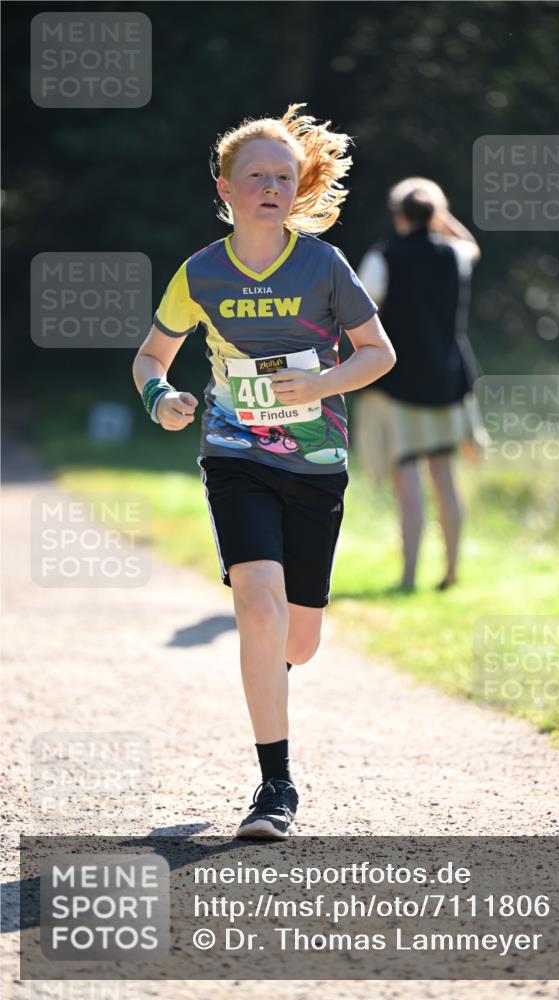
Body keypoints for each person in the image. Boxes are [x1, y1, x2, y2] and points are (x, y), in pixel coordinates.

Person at [131, 104, 396, 839]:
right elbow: (150, 358)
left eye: (284, 175)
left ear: (298, 186)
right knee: (256, 605)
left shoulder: (322, 264)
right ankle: (274, 786)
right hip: (235, 454)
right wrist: (164, 398)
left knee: (295, 641)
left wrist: (319, 385)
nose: (272, 187)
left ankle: (270, 667)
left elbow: (379, 353)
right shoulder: (200, 273)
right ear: (225, 189)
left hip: (316, 464)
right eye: (256, 177)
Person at [357, 177, 484, 592]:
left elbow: (360, 311)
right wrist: (442, 217)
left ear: (398, 216)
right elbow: (472, 245)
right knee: (444, 477)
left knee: (407, 479)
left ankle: (409, 578)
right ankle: (450, 573)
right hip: (448, 381)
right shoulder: (455, 254)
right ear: (434, 215)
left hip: (397, 384)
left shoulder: (382, 258)